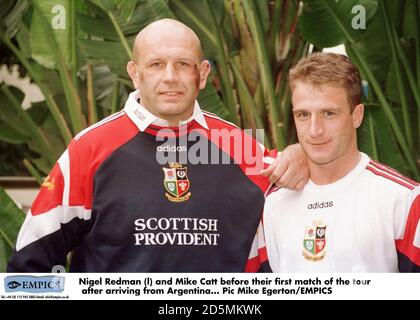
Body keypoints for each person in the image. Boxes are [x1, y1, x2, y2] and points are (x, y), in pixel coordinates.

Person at [7, 19, 308, 272]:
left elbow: (298, 185)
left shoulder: (237, 146)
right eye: (155, 65)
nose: (170, 77)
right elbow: (30, 262)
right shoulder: (89, 150)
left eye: (182, 64)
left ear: (201, 74)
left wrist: (300, 154)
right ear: (135, 74)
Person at [263, 52, 420, 272]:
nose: (315, 130)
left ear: (357, 116)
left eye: (329, 113)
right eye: (303, 115)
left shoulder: (402, 199)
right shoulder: (274, 202)